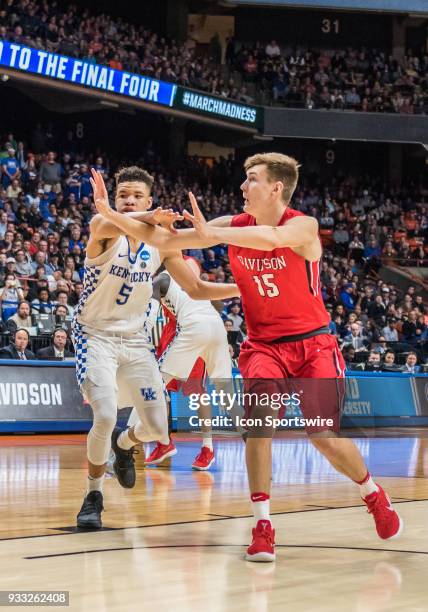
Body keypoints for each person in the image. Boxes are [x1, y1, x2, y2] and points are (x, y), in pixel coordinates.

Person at [95, 153, 403, 562]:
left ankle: (371, 493)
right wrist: (110, 214)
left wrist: (215, 234)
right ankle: (262, 525)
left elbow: (274, 240)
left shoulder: (303, 226)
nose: (242, 186)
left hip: (314, 345)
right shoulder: (229, 225)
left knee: (322, 435)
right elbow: (166, 243)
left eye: (251, 179)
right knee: (257, 430)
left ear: (275, 188)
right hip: (262, 347)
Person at [74, 167, 240, 531]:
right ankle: (93, 495)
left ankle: (123, 443)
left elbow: (196, 287)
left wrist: (241, 287)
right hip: (95, 336)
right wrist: (147, 217)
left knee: (156, 430)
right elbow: (119, 221)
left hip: (135, 342)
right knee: (103, 414)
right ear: (113, 201)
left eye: (137, 196)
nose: (128, 201)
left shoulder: (160, 245)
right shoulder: (103, 227)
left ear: (149, 200)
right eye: (122, 196)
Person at [129, 257, 232, 471]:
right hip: (180, 329)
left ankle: (205, 446)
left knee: (192, 389)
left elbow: (151, 313)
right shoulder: (180, 268)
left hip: (188, 329)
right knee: (162, 389)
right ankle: (165, 442)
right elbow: (217, 302)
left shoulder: (170, 270)